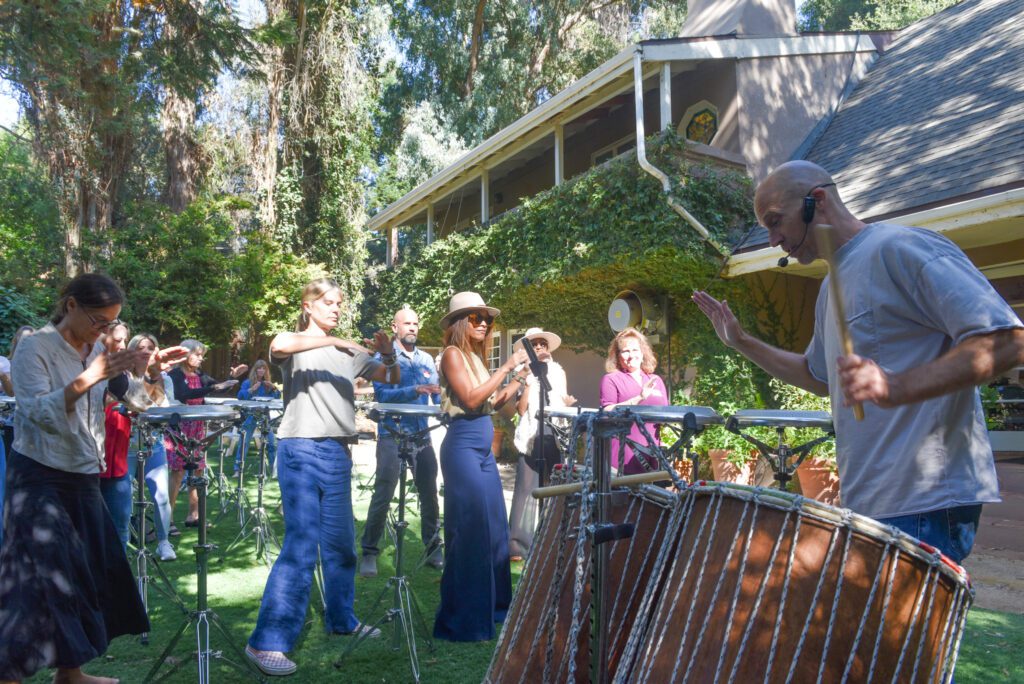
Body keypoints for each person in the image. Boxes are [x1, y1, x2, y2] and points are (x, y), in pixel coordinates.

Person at [692, 160, 1024, 564]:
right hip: (871, 498)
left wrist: (896, 386)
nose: (774, 240)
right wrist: (741, 342)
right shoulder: (830, 285)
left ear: (818, 201)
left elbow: (1006, 341)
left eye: (776, 222)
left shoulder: (900, 248)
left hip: (925, 497)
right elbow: (819, 377)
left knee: (906, 630)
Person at [0, 274, 150, 683]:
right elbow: (34, 414)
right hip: (39, 476)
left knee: (84, 573)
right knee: (35, 580)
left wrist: (143, 369)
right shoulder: (35, 348)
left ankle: (71, 673)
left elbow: (136, 401)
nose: (104, 331)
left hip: (83, 474)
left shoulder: (97, 349)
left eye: (111, 323)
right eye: (99, 321)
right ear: (69, 306)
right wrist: (91, 375)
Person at [245, 278, 397, 677]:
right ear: (307, 306)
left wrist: (388, 353)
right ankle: (266, 643)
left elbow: (391, 377)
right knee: (300, 547)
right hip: (300, 450)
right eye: (328, 302)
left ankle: (342, 619)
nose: (336, 308)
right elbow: (279, 346)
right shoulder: (297, 343)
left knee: (342, 545)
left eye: (339, 303)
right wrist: (334, 342)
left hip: (338, 453)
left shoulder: (350, 354)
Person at [434, 291, 529, 642]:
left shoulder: (476, 358)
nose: (485, 323)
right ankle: (462, 621)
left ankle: (495, 608)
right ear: (461, 322)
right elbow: (472, 399)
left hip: (483, 449)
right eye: (476, 317)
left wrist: (519, 378)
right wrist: (505, 367)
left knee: (494, 530)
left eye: (487, 318)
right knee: (470, 531)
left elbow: (495, 405)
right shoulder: (452, 355)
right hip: (461, 446)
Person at [359, 306, 443, 578]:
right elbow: (382, 396)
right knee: (383, 493)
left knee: (429, 493)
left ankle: (433, 548)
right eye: (407, 323)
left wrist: (452, 406)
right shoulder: (383, 359)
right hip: (391, 434)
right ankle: (369, 552)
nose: (413, 328)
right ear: (395, 327)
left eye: (416, 323)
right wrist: (415, 390)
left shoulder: (427, 360)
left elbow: (438, 397)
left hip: (421, 435)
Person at [166, 340, 247, 531]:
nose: (201, 359)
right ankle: (167, 519)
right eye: (198, 354)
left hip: (198, 426)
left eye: (202, 355)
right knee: (177, 472)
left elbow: (218, 387)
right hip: (179, 427)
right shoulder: (175, 374)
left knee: (198, 470)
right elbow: (183, 394)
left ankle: (193, 515)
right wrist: (214, 387)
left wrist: (231, 377)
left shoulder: (199, 374)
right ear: (186, 354)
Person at [509, 327, 575, 561]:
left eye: (542, 344)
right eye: (534, 344)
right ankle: (518, 545)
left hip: (554, 432)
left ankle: (552, 539)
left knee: (553, 486)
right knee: (525, 489)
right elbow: (520, 408)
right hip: (530, 432)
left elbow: (563, 399)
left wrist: (568, 403)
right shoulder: (522, 371)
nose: (538, 347)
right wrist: (527, 382)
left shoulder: (558, 371)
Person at [126, 333, 181, 561]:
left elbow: (164, 410)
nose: (147, 351)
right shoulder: (124, 376)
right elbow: (134, 404)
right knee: (124, 495)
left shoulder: (164, 379)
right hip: (126, 444)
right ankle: (123, 540)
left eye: (151, 347)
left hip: (153, 444)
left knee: (161, 496)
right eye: (141, 347)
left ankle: (163, 541)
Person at [599, 327, 669, 474]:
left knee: (654, 495)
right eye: (625, 351)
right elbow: (607, 411)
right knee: (625, 495)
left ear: (643, 353)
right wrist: (639, 398)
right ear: (618, 356)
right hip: (624, 451)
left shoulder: (655, 380)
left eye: (635, 350)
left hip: (652, 451)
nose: (631, 355)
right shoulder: (611, 379)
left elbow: (665, 414)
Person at [98, 323, 134, 552]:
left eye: (124, 341)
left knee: (121, 524)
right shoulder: (88, 369)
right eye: (116, 339)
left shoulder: (127, 374)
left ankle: (117, 580)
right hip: (88, 466)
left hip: (118, 466)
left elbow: (149, 403)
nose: (121, 346)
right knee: (89, 527)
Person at [235, 358, 281, 475]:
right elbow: (240, 397)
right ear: (255, 370)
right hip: (250, 415)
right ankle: (238, 470)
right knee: (244, 442)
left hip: (264, 417)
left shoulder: (267, 384)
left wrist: (274, 388)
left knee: (271, 442)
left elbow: (276, 397)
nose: (261, 371)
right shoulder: (247, 382)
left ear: (266, 371)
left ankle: (272, 469)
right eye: (259, 368)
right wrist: (251, 390)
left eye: (263, 368)